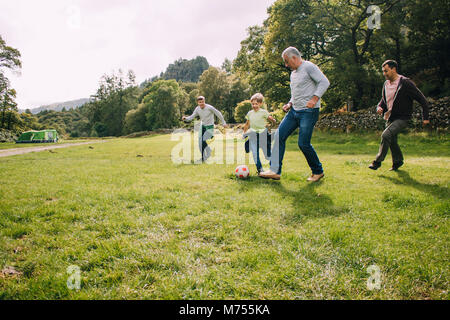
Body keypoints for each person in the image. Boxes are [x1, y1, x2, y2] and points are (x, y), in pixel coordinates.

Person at [260, 47, 330, 182]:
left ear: (294, 57)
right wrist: (290, 103)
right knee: (279, 135)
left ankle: (318, 171)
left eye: (287, 61)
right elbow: (297, 92)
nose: (286, 65)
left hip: (309, 112)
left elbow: (324, 82)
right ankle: (274, 171)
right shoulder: (293, 74)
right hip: (294, 111)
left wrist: (315, 98)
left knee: (303, 143)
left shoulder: (309, 67)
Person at [369, 60, 430, 171]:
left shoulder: (405, 83)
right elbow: (383, 100)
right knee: (392, 140)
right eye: (383, 71)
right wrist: (379, 107)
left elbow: (422, 99)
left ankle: (377, 162)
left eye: (386, 71)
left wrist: (425, 117)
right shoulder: (386, 84)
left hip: (403, 117)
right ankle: (398, 161)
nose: (384, 74)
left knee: (386, 135)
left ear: (394, 69)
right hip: (390, 117)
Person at [182, 96, 227, 162]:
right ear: (198, 103)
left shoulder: (209, 107)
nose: (201, 103)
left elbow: (218, 113)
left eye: (203, 102)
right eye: (200, 102)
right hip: (202, 126)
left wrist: (223, 122)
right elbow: (192, 116)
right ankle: (204, 157)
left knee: (203, 141)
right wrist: (186, 118)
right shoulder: (197, 109)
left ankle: (207, 153)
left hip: (210, 127)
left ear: (204, 101)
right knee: (200, 143)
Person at [242, 93, 276, 175]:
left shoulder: (263, 112)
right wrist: (244, 133)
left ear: (260, 104)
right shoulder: (250, 113)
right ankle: (260, 170)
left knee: (267, 155)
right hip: (253, 134)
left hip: (263, 135)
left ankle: (273, 168)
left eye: (256, 104)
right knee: (255, 153)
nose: (254, 106)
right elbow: (247, 124)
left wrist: (273, 122)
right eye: (253, 104)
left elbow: (270, 118)